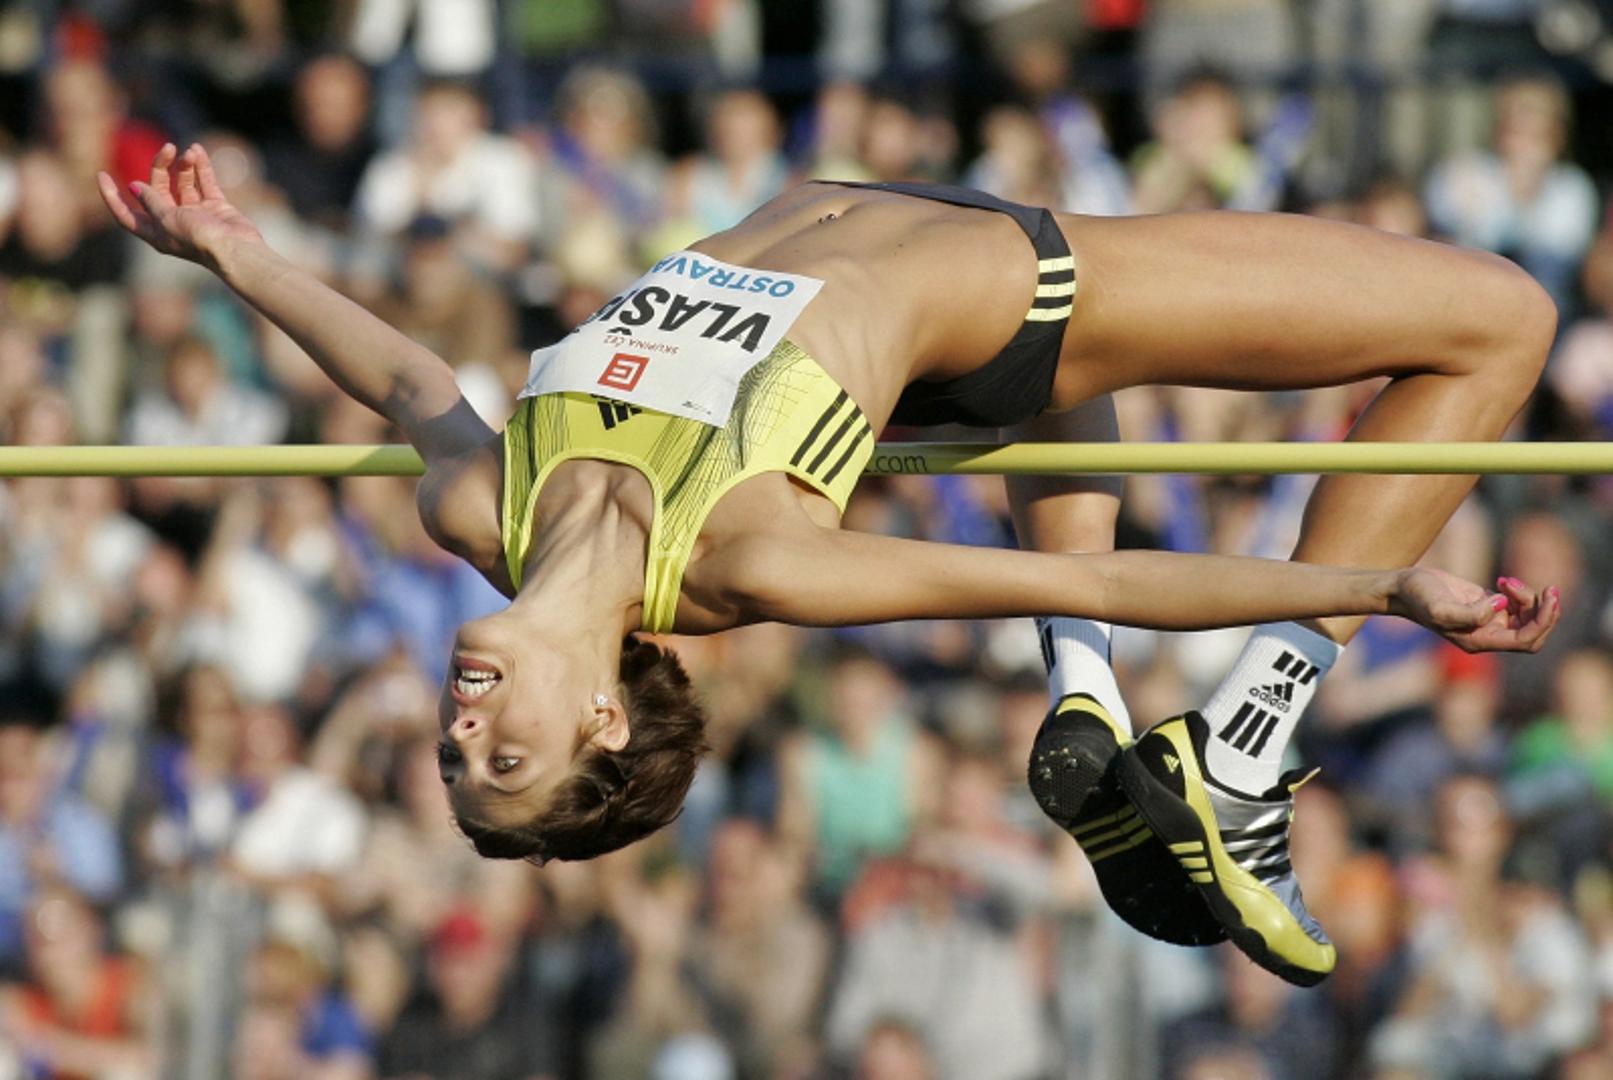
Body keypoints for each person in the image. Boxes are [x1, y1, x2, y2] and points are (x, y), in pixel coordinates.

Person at [99, 144, 1560, 988]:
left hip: (900, 237)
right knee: (1497, 318)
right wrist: (1380, 595)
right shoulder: (748, 563)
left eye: (452, 754)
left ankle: (1091, 704)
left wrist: (234, 254)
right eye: (506, 760)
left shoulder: (482, 511)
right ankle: (1245, 742)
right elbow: (1097, 579)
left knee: (1067, 430)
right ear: (601, 716)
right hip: (1036, 294)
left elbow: (406, 375)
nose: (463, 729)